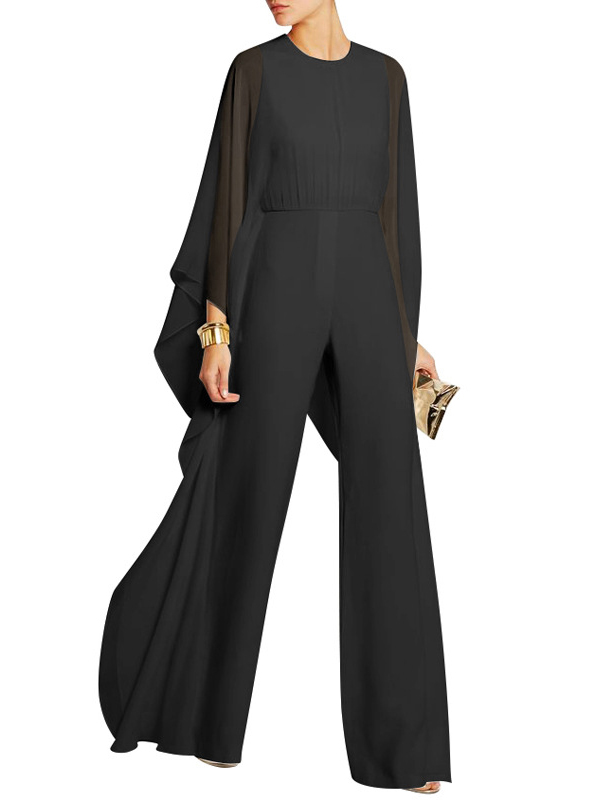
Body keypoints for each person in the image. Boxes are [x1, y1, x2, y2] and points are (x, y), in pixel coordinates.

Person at [98, 1, 452, 793]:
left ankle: (408, 752)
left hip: (370, 295)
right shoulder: (253, 72)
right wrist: (215, 331)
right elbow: (227, 203)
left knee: (391, 501)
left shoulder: (388, 79)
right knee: (247, 495)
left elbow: (398, 216)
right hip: (275, 291)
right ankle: (210, 720)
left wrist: (406, 333)